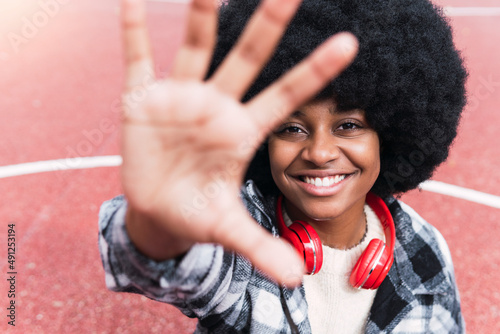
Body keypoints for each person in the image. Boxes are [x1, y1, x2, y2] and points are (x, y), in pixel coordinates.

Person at [98, 0, 467, 332]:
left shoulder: (424, 252)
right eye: (291, 128)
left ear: (388, 135)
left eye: (348, 125)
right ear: (262, 143)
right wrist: (161, 225)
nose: (320, 153)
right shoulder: (237, 238)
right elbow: (167, 263)